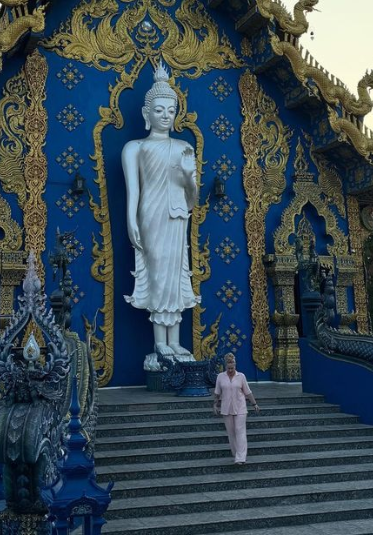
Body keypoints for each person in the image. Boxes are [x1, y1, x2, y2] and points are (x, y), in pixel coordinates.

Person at [122, 62, 201, 369]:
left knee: (177, 275)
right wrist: (131, 221)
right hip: (150, 215)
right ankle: (159, 343)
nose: (166, 116)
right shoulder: (135, 148)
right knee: (157, 276)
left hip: (178, 216)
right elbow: (134, 192)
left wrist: (189, 179)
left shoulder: (184, 147)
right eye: (159, 110)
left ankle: (175, 342)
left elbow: (193, 199)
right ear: (146, 114)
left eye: (171, 110)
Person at [213, 353, 260, 465]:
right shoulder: (220, 377)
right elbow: (217, 393)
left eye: (232, 368)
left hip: (240, 407)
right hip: (226, 408)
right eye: (228, 368)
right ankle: (235, 454)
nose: (230, 370)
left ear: (235, 366)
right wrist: (215, 405)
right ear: (225, 367)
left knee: (240, 431)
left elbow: (248, 392)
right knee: (231, 432)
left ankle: (241, 457)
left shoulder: (241, 376)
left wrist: (254, 404)